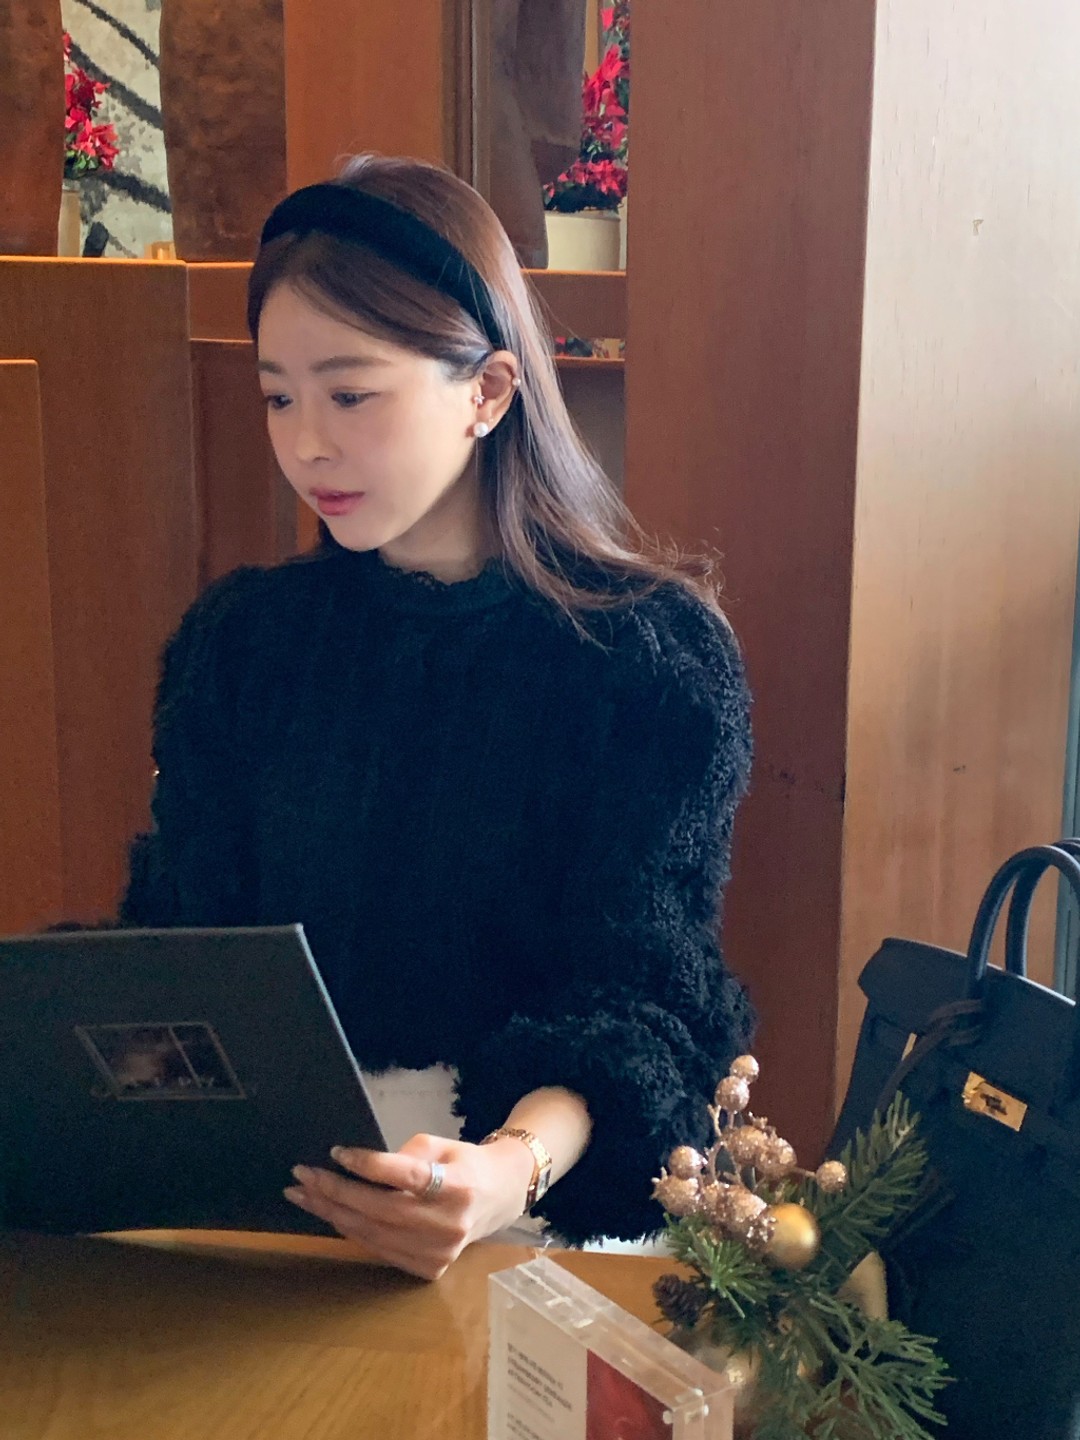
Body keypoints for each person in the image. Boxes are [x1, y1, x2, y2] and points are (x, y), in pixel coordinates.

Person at [119, 153, 754, 1280]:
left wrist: (504, 1170)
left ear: (490, 391)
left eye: (350, 393)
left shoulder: (645, 659)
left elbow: (645, 1001)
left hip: (537, 1209)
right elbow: (181, 951)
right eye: (278, 395)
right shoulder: (243, 643)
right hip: (272, 1201)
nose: (307, 443)